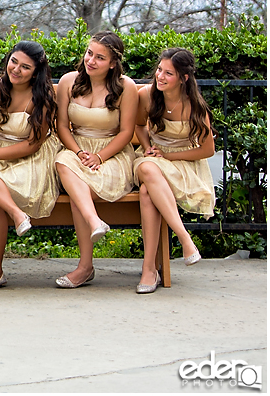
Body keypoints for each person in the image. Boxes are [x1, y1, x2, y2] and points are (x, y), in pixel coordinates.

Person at [0, 41, 62, 290]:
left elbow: (33, 144)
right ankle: (18, 215)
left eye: (25, 67)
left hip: (30, 158)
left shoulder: (43, 96)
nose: (16, 69)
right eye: (13, 62)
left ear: (36, 72)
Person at [53, 31, 137, 288]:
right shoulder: (69, 81)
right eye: (89, 53)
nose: (91, 60)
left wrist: (100, 156)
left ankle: (85, 267)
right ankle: (94, 223)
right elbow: (62, 127)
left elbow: (126, 132)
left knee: (80, 189)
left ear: (113, 63)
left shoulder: (126, 87)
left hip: (111, 153)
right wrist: (79, 152)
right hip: (76, 148)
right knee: (63, 162)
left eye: (100, 57)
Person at [132, 48, 214, 294]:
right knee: (146, 166)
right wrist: (147, 147)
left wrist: (168, 156)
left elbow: (207, 149)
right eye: (159, 70)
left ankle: (149, 269)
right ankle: (184, 239)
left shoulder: (194, 105)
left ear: (183, 78)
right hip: (153, 158)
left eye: (169, 73)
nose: (160, 77)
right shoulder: (147, 95)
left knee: (147, 192)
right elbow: (138, 125)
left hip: (183, 163)